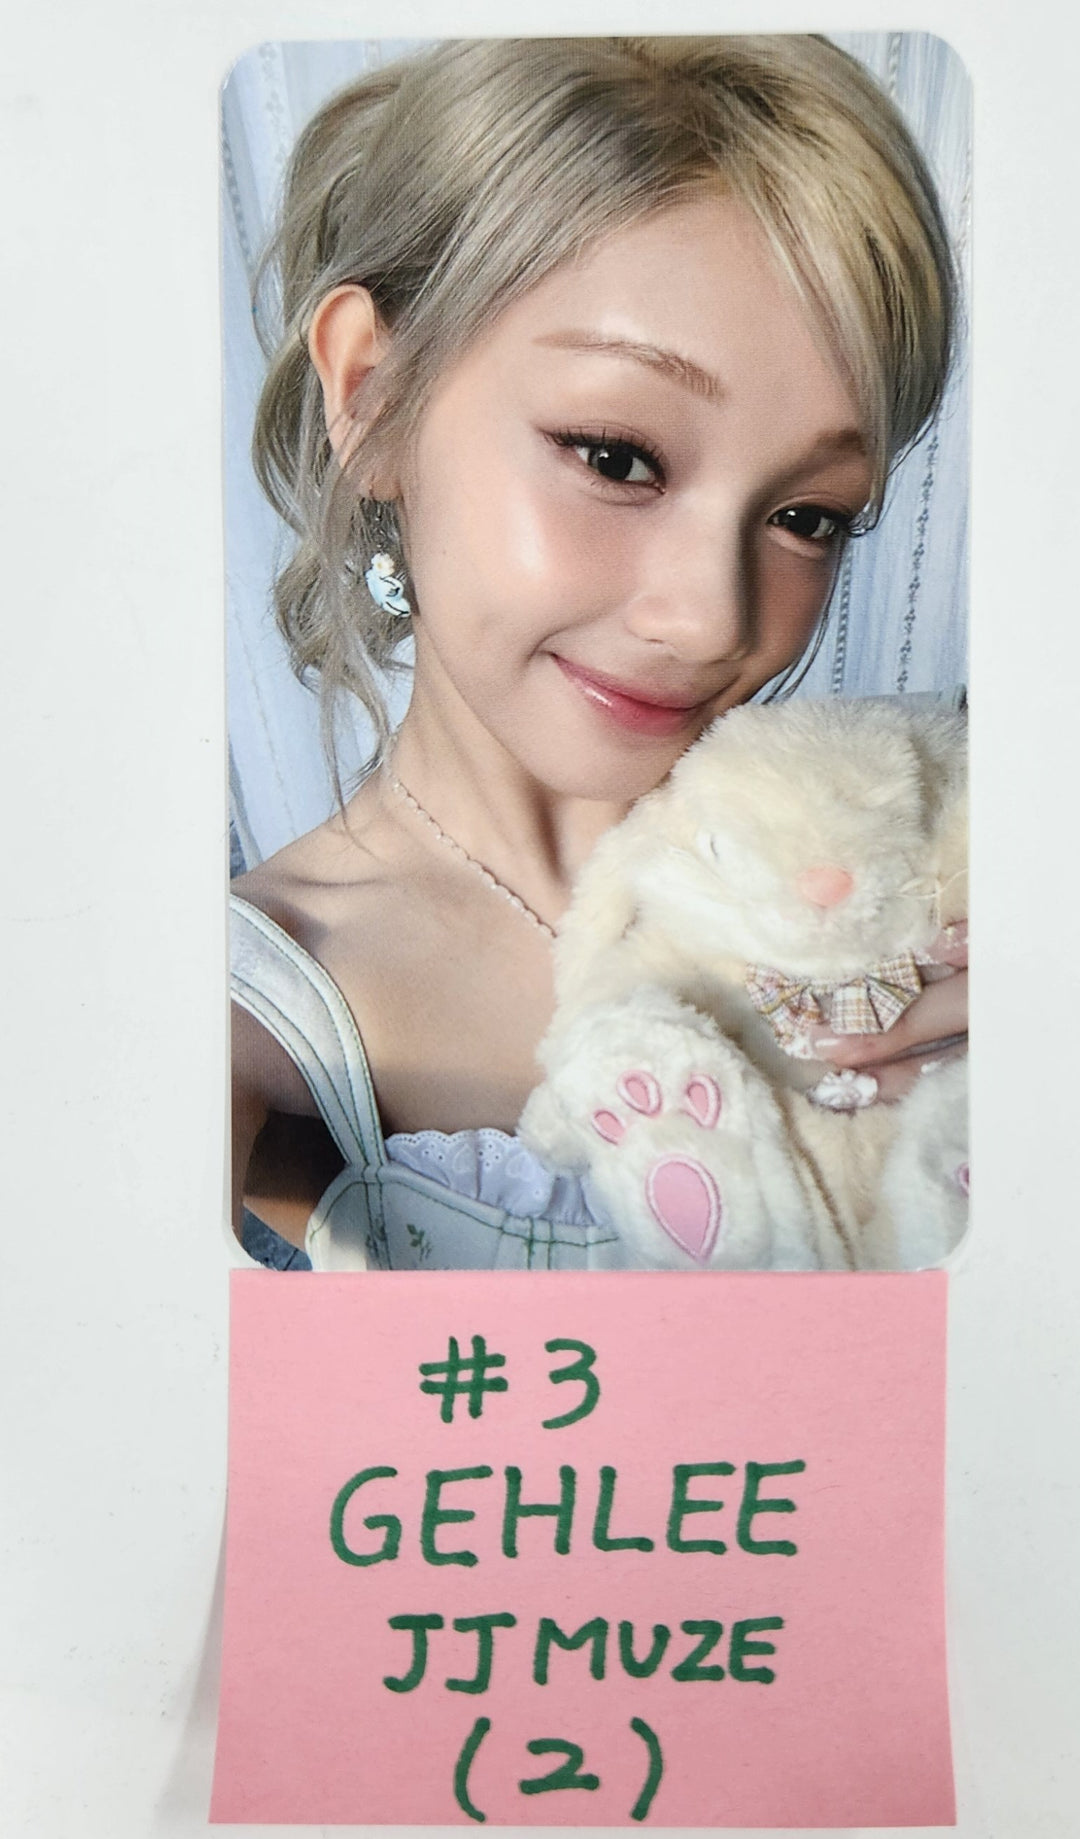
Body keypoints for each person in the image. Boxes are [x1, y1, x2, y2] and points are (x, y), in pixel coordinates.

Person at [230, 34, 968, 1272]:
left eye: (808, 517)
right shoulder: (246, 1007)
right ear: (370, 394)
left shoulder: (902, 867)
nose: (713, 619)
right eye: (617, 457)